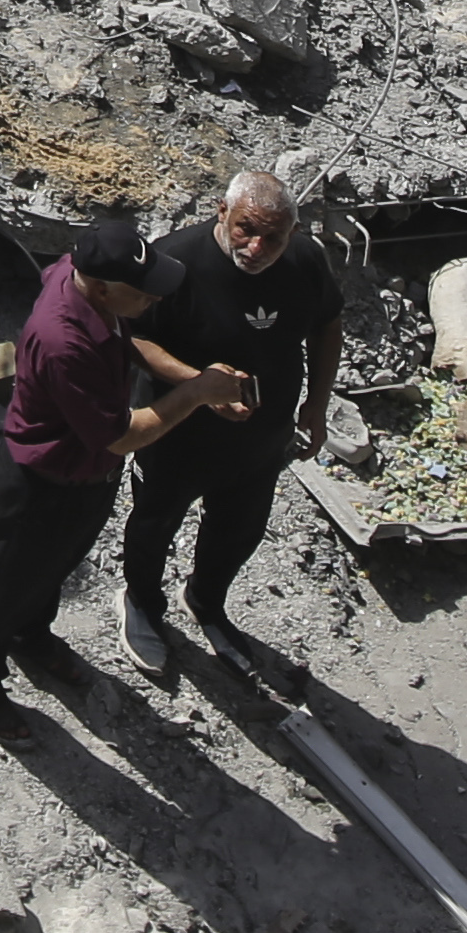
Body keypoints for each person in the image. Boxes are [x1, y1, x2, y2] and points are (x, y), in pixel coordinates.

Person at [0, 216, 250, 745]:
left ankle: (32, 636)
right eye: (144, 291)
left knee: (54, 570)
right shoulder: (65, 342)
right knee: (2, 591)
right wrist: (197, 394)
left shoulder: (84, 280)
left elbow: (128, 338)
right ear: (105, 287)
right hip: (41, 486)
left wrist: (193, 379)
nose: (154, 301)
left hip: (85, 482)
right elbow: (122, 436)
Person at [120, 170, 345, 684]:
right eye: (247, 228)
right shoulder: (173, 262)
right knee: (155, 522)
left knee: (240, 529)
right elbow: (132, 338)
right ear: (222, 210)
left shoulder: (305, 261)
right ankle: (140, 603)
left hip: (262, 437)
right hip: (177, 433)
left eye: (275, 236)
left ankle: (206, 600)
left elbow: (328, 323)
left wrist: (317, 401)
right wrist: (198, 385)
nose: (258, 246)